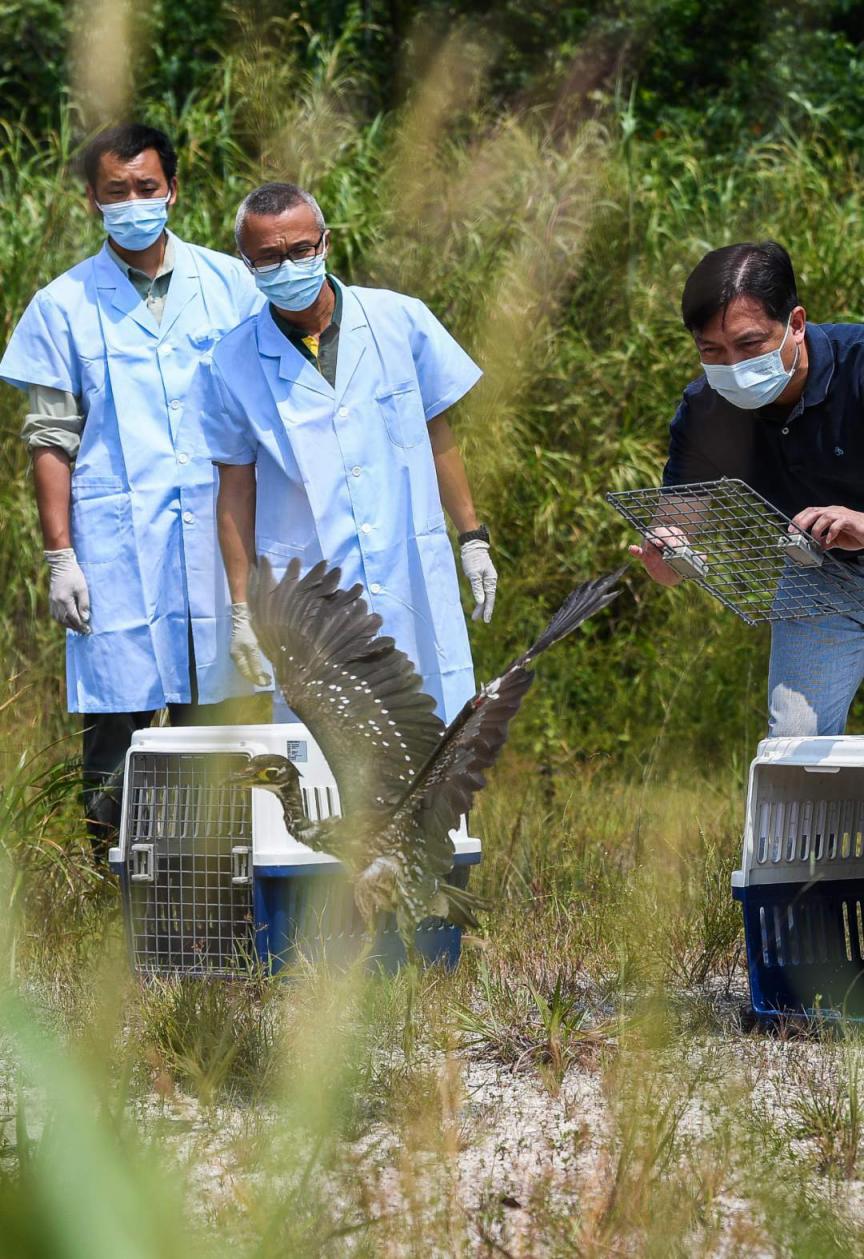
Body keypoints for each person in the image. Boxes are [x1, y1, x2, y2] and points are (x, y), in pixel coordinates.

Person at [0, 123, 265, 848]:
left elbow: (266, 409)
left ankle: (209, 887)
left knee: (212, 722)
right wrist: (61, 557)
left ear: (172, 190)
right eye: (116, 191)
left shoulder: (230, 284)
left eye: (147, 188)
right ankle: (110, 895)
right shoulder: (64, 303)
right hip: (115, 543)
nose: (134, 203)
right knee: (114, 734)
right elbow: (51, 437)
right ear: (93, 199)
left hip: (219, 537)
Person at [196, 181, 497, 724]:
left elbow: (438, 433)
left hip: (409, 566)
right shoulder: (230, 361)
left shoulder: (399, 320)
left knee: (437, 746)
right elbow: (235, 487)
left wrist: (472, 537)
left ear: (325, 243)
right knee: (328, 758)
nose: (287, 266)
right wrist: (241, 607)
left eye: (300, 250)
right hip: (311, 584)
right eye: (268, 258)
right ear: (247, 264)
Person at [631, 239, 864, 737]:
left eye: (750, 344)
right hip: (822, 577)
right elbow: (677, 523)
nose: (733, 366)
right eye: (711, 351)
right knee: (794, 747)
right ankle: (808, 818)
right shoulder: (706, 412)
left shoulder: (859, 365)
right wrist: (668, 556)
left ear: (796, 324)